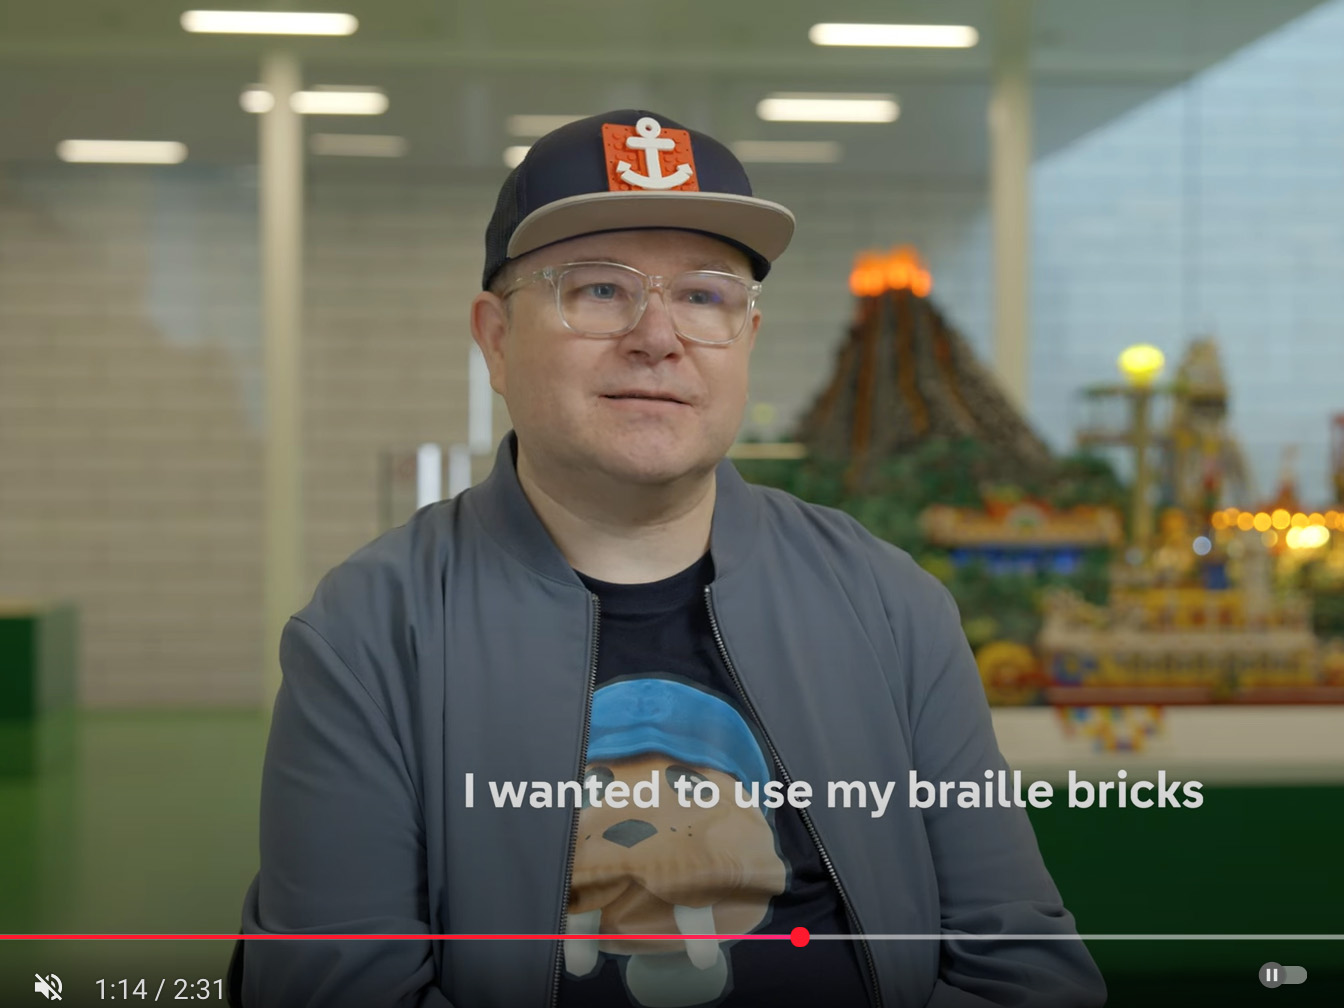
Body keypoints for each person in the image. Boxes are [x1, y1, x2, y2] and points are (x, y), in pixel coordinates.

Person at [235, 109, 1106, 1008]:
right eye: (600, 290)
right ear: (495, 339)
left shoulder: (889, 605)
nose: (659, 337)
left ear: (747, 342)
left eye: (703, 295)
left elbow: (1024, 970)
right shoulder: (372, 632)